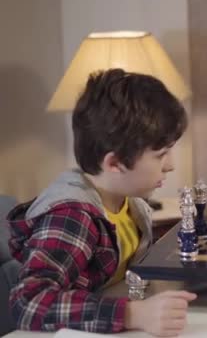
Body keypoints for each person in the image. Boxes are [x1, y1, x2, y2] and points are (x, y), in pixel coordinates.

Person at [7, 69, 196, 336]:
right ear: (115, 163)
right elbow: (29, 302)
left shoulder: (132, 204)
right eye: (161, 155)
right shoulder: (72, 216)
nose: (171, 166)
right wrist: (131, 314)